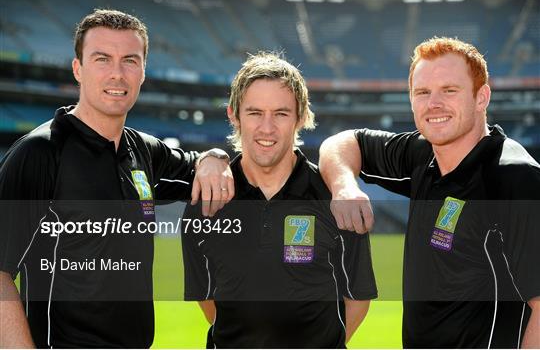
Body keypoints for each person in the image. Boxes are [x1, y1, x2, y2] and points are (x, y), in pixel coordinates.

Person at [0, 9, 234, 348]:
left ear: (142, 72)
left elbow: (203, 168)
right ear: (77, 69)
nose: (117, 74)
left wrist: (216, 157)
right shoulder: (40, 152)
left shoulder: (143, 150)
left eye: (129, 61)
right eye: (102, 59)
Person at [319, 37, 540, 348]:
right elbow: (342, 142)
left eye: (449, 91)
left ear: (481, 97)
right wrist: (343, 185)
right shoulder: (422, 155)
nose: (433, 104)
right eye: (422, 92)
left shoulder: (514, 177)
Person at [181, 52, 377, 348]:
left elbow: (357, 297)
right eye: (255, 112)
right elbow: (206, 297)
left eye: (281, 113)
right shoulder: (205, 201)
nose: (267, 128)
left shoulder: (335, 198)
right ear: (234, 114)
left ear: (300, 117)